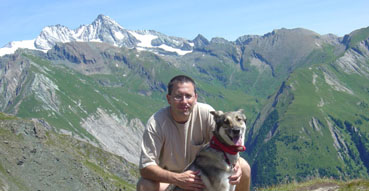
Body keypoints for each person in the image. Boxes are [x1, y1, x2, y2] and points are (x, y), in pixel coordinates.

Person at [137, 75, 251, 191]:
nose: (184, 101)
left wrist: (236, 164)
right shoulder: (156, 123)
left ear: (195, 98)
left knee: (243, 166)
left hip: (203, 177)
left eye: (188, 96)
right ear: (168, 98)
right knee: (145, 184)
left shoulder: (206, 113)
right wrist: (178, 178)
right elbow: (145, 167)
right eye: (178, 96)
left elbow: (225, 143)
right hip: (170, 181)